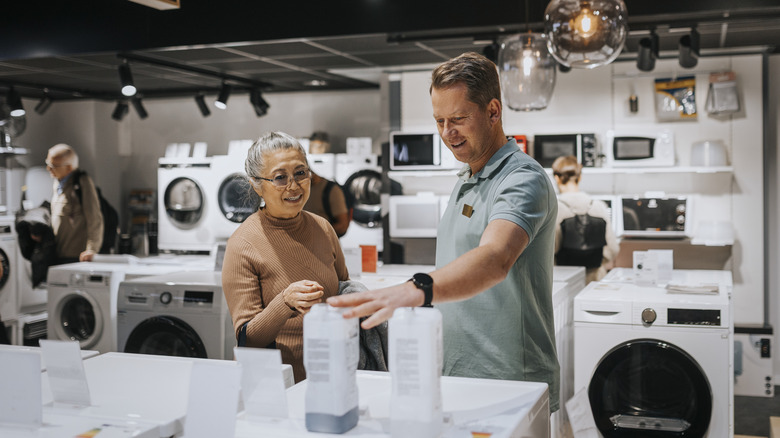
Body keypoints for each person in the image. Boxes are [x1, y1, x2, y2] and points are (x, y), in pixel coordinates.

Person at [328, 52, 561, 411]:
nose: (447, 133)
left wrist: (415, 289)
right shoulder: (467, 177)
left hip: (511, 380)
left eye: (458, 119)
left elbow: (495, 257)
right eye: (440, 121)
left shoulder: (522, 178)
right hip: (458, 372)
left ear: (493, 112)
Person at [221, 131, 350, 383]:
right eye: (280, 177)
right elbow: (248, 338)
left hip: (332, 374)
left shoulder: (323, 228)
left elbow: (344, 290)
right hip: (277, 384)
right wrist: (285, 302)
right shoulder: (243, 244)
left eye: (301, 173)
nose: (294, 186)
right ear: (257, 185)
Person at [552, 155, 620, 283]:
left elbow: (548, 250)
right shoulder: (599, 206)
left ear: (556, 178)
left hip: (563, 281)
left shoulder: (553, 209)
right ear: (580, 177)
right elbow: (613, 249)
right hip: (595, 279)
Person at [46, 144, 103, 263]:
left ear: (69, 167)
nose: (48, 169)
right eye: (48, 164)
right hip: (59, 253)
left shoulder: (82, 183)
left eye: (54, 166)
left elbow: (94, 218)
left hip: (76, 256)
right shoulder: (57, 184)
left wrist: (92, 250)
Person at [303, 169, 350, 237]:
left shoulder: (332, 190)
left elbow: (343, 226)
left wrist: (316, 234)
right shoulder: (299, 190)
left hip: (322, 240)